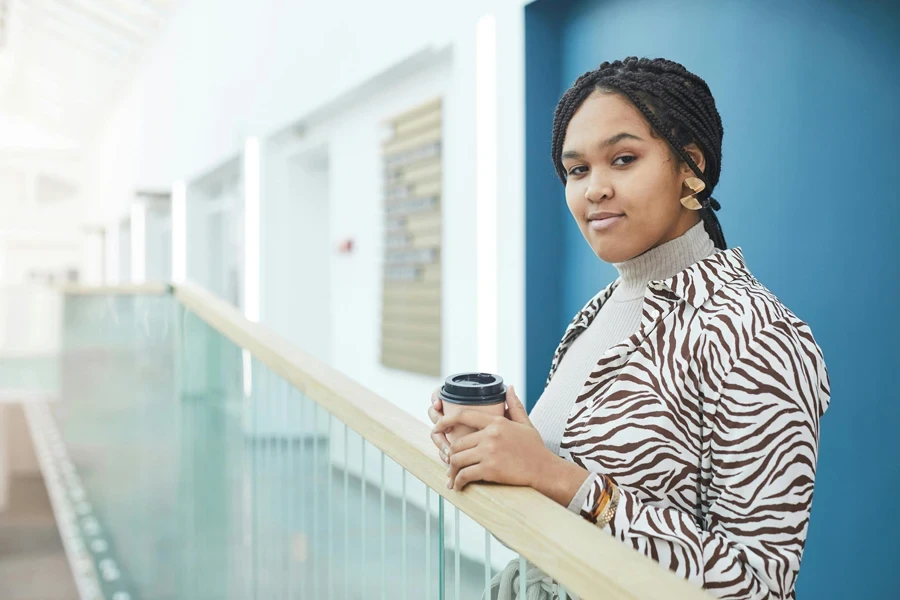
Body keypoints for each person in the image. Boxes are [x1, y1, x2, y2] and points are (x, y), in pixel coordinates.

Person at [428, 57, 830, 600]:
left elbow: (757, 584)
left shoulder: (755, 335)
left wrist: (563, 480)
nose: (595, 189)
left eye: (622, 159)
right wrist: (504, 445)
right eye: (577, 170)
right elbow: (563, 474)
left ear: (690, 165)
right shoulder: (599, 310)